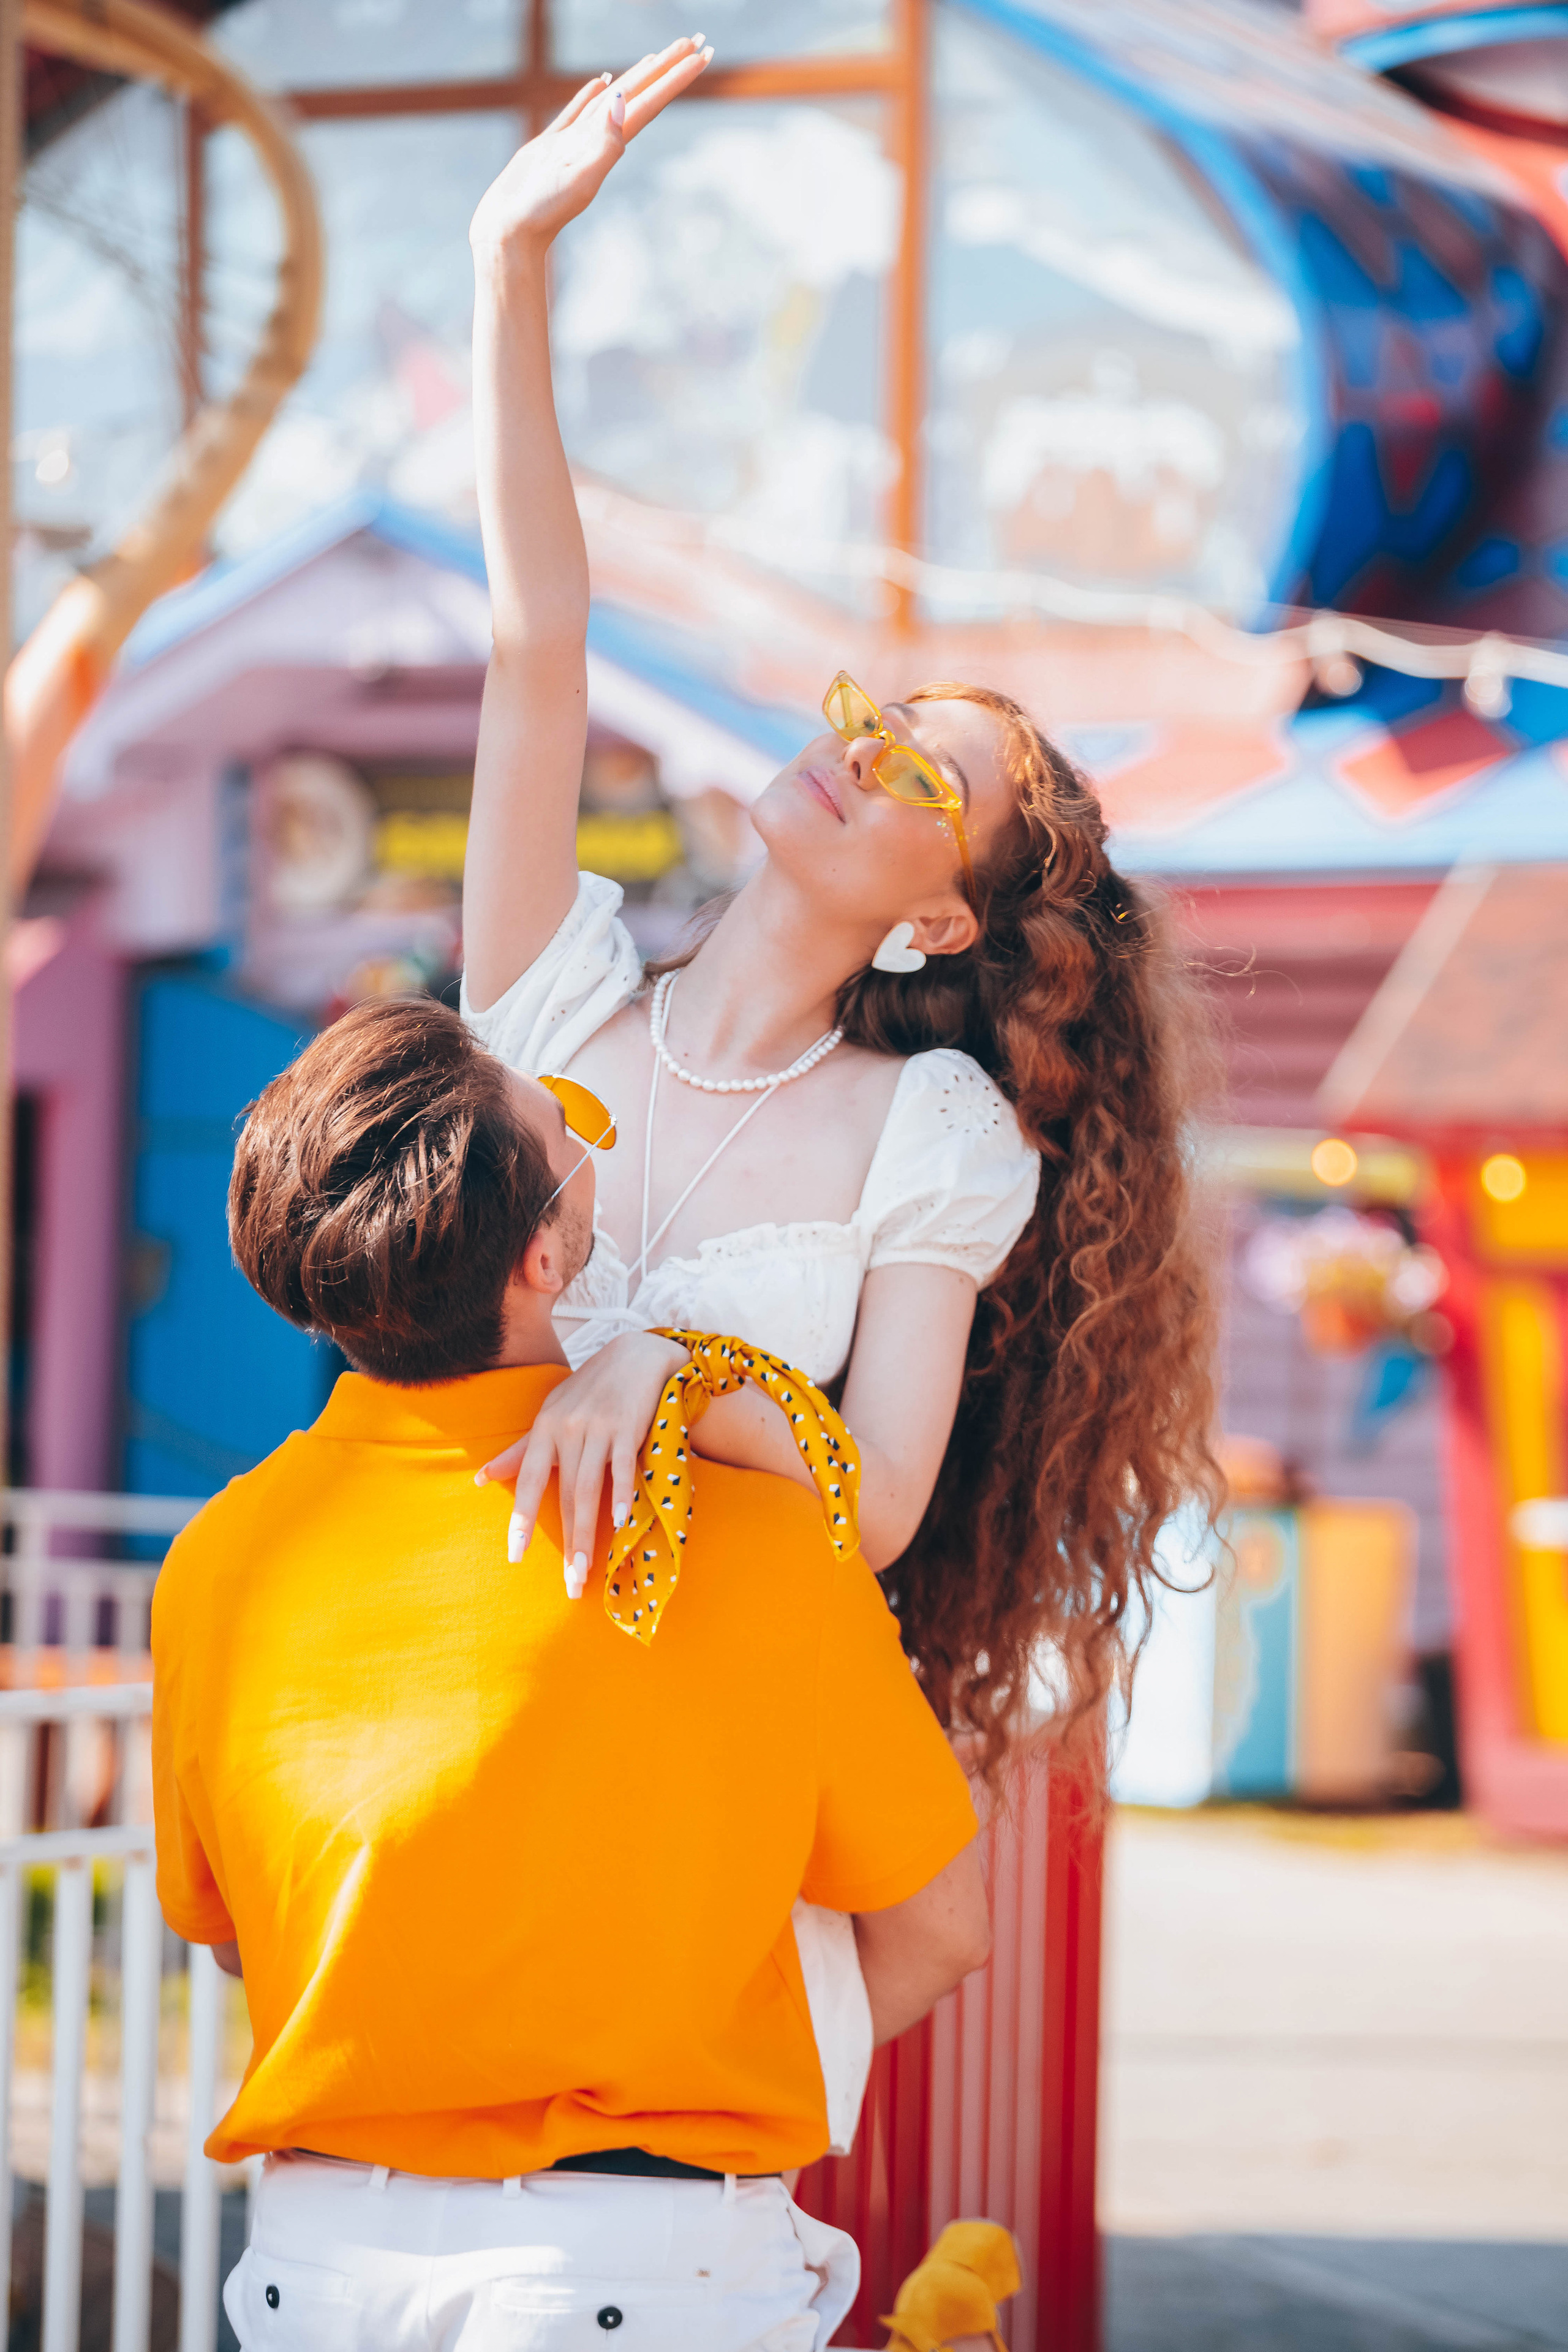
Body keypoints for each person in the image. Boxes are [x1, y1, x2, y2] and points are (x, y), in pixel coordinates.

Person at [461, 39, 1221, 2141]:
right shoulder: (551, 995)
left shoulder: (933, 1140)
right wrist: (505, 265)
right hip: (459, 1736)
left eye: (927, 786)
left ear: (931, 927)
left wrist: (669, 1378)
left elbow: (875, 1498)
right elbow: (540, 648)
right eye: (879, 717)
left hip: (709, 1803)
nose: (861, 752)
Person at [153, 995, 990, 2351]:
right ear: (544, 1252)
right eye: (569, 1126)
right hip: (640, 2267)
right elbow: (942, 1928)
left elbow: (243, 1924)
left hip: (317, 2270)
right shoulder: (757, 1533)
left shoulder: (220, 1558)